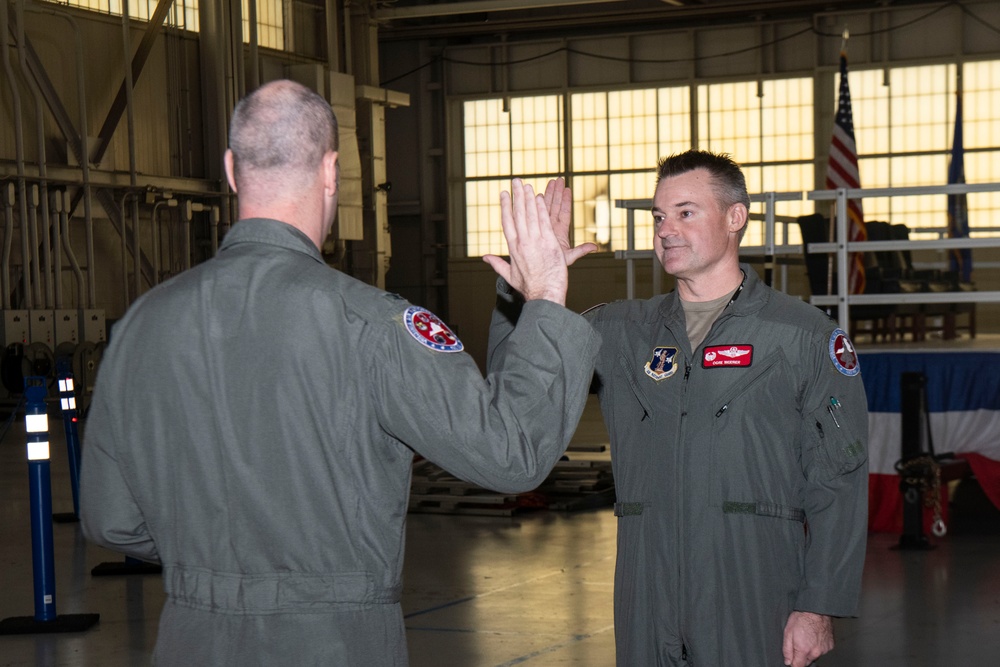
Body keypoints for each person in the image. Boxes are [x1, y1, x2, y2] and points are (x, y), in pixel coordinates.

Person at [79, 79, 600, 666]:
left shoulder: (143, 323)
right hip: (333, 643)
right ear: (331, 172)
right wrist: (545, 297)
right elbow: (511, 455)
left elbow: (111, 518)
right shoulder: (375, 327)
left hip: (192, 640)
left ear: (230, 168)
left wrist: (219, 567)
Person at [493, 150, 869, 667]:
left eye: (686, 212)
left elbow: (839, 482)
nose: (666, 229)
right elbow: (517, 390)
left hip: (753, 587)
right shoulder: (620, 333)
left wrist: (819, 605)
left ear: (735, 218)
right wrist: (529, 293)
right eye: (658, 216)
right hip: (647, 590)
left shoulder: (801, 336)